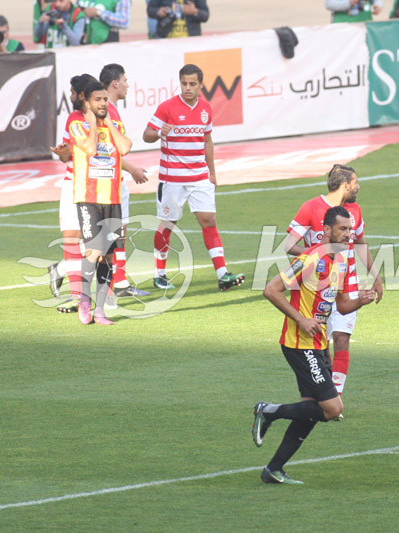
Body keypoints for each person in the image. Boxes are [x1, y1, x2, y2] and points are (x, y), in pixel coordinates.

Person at [252, 206, 377, 484]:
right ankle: (268, 410)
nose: (348, 234)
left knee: (312, 412)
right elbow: (271, 289)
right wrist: (301, 318)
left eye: (350, 229)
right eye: (343, 229)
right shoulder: (310, 258)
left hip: (318, 344)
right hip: (299, 343)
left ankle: (273, 469)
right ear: (327, 231)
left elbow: (342, 306)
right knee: (333, 409)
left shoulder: (342, 261)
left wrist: (361, 300)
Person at [283, 164, 383, 398]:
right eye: (355, 182)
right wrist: (315, 255)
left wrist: (375, 275)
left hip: (346, 281)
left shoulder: (354, 211)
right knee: (321, 342)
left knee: (342, 338)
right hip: (316, 286)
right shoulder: (311, 207)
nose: (358, 186)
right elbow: (289, 245)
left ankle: (335, 396)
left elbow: (360, 242)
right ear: (345, 184)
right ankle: (322, 392)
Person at [142, 64, 244, 292]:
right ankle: (159, 274)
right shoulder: (166, 107)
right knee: (168, 224)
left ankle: (222, 274)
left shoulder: (205, 109)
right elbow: (146, 135)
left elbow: (207, 140)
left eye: (192, 84)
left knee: (209, 220)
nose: (187, 88)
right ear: (180, 83)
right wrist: (159, 132)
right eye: (184, 83)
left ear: (200, 85)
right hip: (172, 179)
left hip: (199, 176)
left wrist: (212, 172)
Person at [67, 80, 132, 325]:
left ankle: (100, 310)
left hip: (112, 199)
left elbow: (125, 148)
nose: (103, 103)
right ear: (87, 102)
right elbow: (91, 149)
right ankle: (84, 300)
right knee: (94, 251)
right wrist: (93, 123)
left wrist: (108, 124)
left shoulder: (114, 123)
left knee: (107, 257)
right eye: (98, 100)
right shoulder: (77, 122)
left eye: (105, 99)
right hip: (89, 198)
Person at [99, 63, 151, 299]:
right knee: (107, 236)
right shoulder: (105, 111)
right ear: (115, 83)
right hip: (108, 181)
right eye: (125, 80)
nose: (128, 85)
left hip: (115, 179)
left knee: (118, 232)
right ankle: (64, 271)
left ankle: (119, 282)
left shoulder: (112, 110)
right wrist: (133, 170)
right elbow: (111, 152)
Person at [48, 73, 97, 314]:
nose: (70, 96)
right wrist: (63, 152)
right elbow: (70, 154)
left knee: (97, 246)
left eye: (73, 93)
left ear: (82, 95)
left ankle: (60, 270)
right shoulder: (72, 118)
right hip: (72, 183)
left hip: (97, 186)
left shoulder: (104, 117)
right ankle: (78, 297)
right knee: (71, 237)